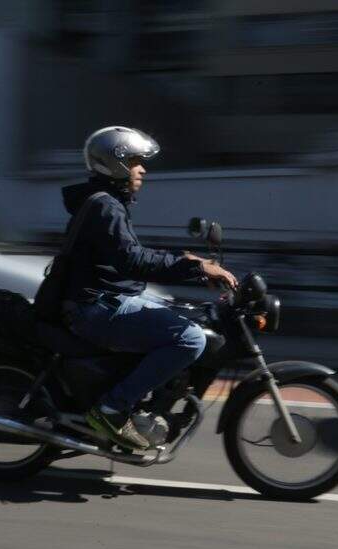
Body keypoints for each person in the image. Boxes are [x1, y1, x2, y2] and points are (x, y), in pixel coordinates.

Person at [60, 126, 239, 450]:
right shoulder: (105, 207)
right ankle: (112, 408)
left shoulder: (106, 203)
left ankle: (148, 402)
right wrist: (196, 267)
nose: (142, 169)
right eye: (135, 161)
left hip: (103, 297)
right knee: (190, 338)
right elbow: (133, 261)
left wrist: (188, 262)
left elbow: (130, 255)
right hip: (96, 306)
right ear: (116, 164)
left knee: (179, 310)